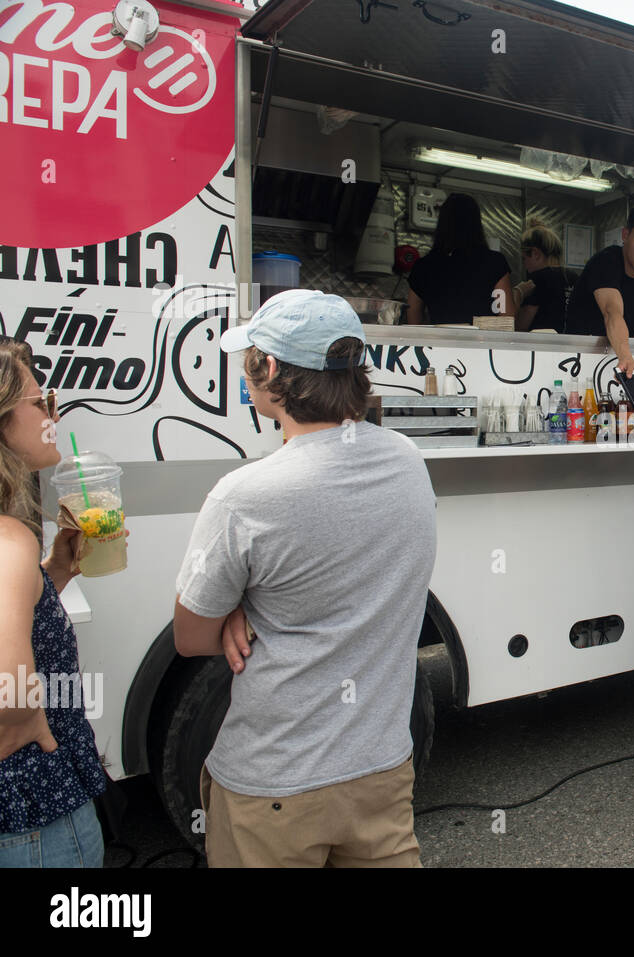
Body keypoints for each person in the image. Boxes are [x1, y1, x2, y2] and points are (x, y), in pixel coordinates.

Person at [173, 290, 437, 867]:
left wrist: (237, 604)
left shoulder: (245, 495)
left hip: (274, 783)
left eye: (250, 359)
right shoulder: (408, 462)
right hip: (382, 771)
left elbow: (191, 638)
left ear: (268, 369)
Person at [0, 342, 107, 867]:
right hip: (35, 812)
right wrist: (31, 723)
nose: (53, 417)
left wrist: (54, 575)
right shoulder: (8, 539)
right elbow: (8, 690)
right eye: (41, 403)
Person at [565, 203, 634, 375]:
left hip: (616, 360)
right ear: (625, 234)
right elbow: (612, 313)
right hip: (575, 360)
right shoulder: (606, 262)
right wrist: (624, 355)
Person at [406, 193, 512, 325]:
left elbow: (413, 320)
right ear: (476, 224)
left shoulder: (423, 267)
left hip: (440, 344)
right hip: (484, 343)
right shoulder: (495, 263)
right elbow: (506, 319)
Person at [514, 220, 567, 333]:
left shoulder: (538, 280)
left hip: (541, 345)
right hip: (570, 344)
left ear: (536, 254)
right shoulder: (572, 277)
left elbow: (520, 326)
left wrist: (518, 293)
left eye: (524, 258)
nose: (525, 265)